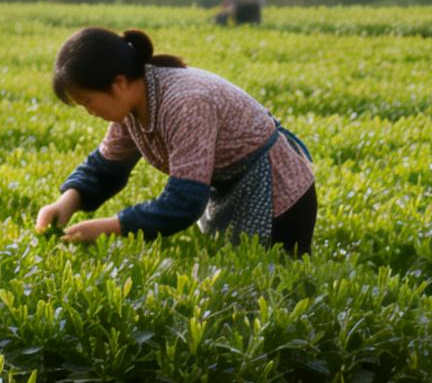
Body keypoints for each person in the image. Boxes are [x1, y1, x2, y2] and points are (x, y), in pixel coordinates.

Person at [34, 27, 318, 254]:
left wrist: (110, 227)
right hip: (230, 193)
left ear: (118, 83)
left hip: (277, 196)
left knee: (274, 293)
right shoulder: (132, 108)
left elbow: (183, 202)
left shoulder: (186, 103)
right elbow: (105, 168)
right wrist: (65, 204)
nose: (90, 112)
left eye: (88, 101)